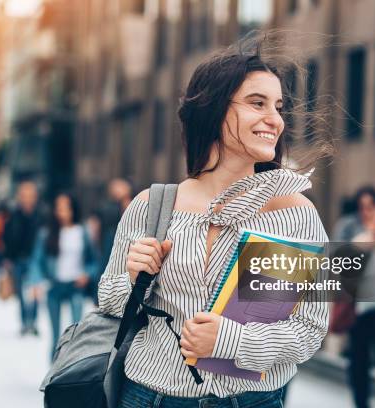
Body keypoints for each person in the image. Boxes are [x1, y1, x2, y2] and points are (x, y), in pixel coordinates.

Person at [97, 33, 331, 407]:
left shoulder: (291, 213)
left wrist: (229, 341)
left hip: (250, 401)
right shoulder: (152, 206)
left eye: (278, 107)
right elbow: (109, 303)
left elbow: (308, 330)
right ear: (213, 108)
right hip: (150, 397)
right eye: (257, 104)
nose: (275, 120)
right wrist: (132, 277)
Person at [333, 186, 375, 408]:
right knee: (359, 361)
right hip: (358, 306)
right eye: (363, 207)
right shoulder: (349, 227)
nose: (367, 212)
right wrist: (361, 243)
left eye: (372, 206)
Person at [29, 193, 98, 359]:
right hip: (55, 286)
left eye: (66, 208)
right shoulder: (46, 234)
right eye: (59, 208)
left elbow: (94, 261)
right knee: (55, 336)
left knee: (76, 334)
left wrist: (86, 274)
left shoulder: (82, 232)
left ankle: (70, 373)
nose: (62, 212)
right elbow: (36, 261)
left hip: (75, 286)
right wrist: (36, 283)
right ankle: (52, 375)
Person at [2, 181, 43, 336]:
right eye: (24, 195)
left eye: (30, 195)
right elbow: (6, 237)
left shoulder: (40, 215)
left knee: (34, 292)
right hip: (18, 259)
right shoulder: (14, 216)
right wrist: (7, 258)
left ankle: (32, 321)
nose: (27, 199)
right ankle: (24, 322)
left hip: (34, 259)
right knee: (20, 293)